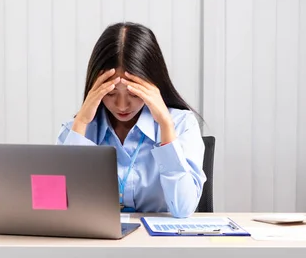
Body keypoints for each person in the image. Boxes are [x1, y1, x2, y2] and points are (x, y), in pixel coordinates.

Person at [56, 22, 206, 218]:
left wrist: (166, 125)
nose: (122, 105)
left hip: (158, 245)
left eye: (134, 94)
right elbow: (59, 207)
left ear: (153, 85)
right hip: (97, 244)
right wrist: (82, 122)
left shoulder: (181, 124)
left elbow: (183, 209)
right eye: (110, 93)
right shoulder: (76, 130)